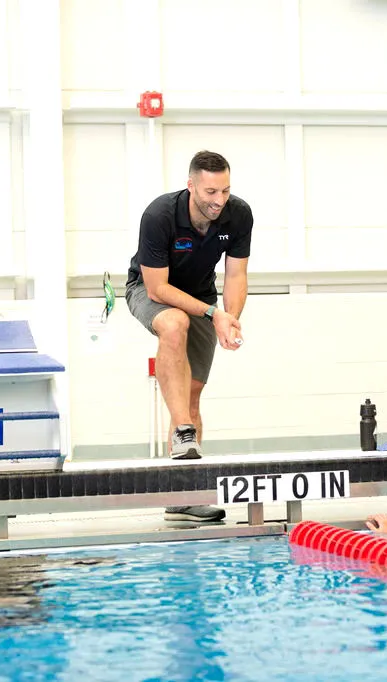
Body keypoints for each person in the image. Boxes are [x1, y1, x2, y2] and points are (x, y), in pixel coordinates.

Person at [125, 150, 252, 524]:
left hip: (203, 298)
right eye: (211, 192)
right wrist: (213, 313)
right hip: (150, 292)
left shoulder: (239, 214)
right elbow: (157, 287)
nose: (219, 200)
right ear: (191, 185)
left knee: (193, 392)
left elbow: (235, 276)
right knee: (174, 323)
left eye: (225, 191)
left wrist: (230, 318)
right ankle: (182, 428)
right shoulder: (160, 215)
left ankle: (184, 495)